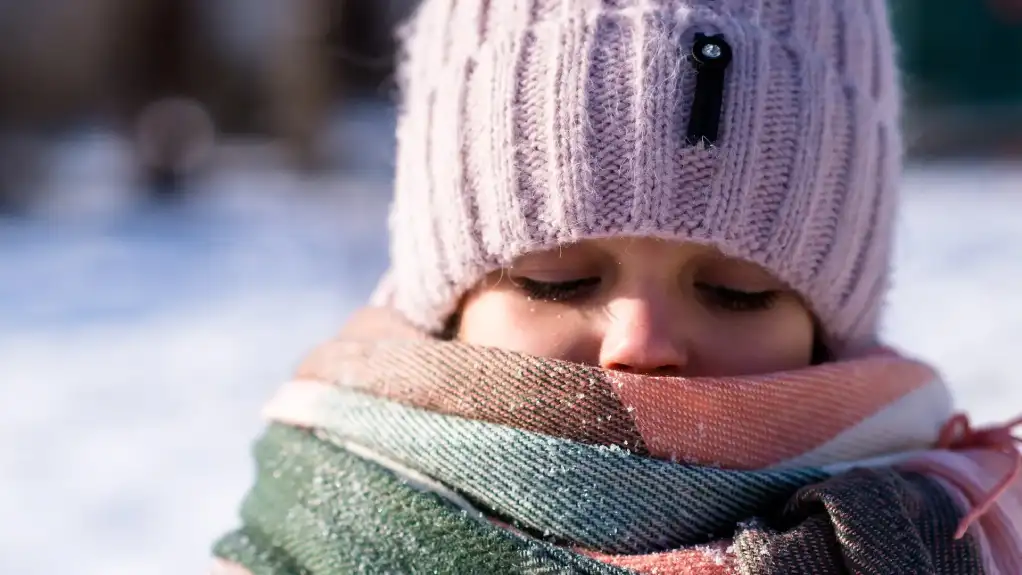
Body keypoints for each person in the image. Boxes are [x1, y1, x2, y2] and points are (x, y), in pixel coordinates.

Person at [211, 0, 1022, 573]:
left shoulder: (957, 538)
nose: (642, 342)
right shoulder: (309, 542)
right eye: (555, 279)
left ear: (828, 327)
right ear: (449, 303)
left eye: (737, 289)